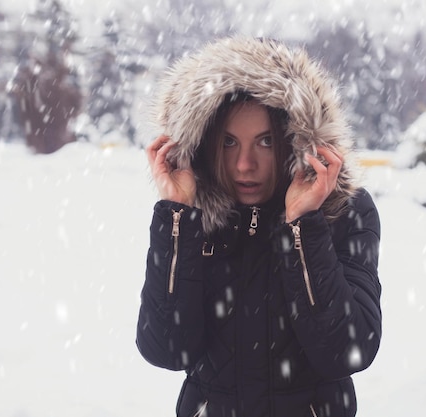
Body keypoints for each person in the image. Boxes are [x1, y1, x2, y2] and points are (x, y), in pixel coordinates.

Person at [136, 36, 382, 417]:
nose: (244, 164)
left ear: (295, 141)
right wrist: (176, 216)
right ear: (204, 144)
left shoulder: (342, 212)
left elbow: (347, 351)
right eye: (229, 143)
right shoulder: (194, 218)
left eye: (265, 142)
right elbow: (166, 349)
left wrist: (303, 225)